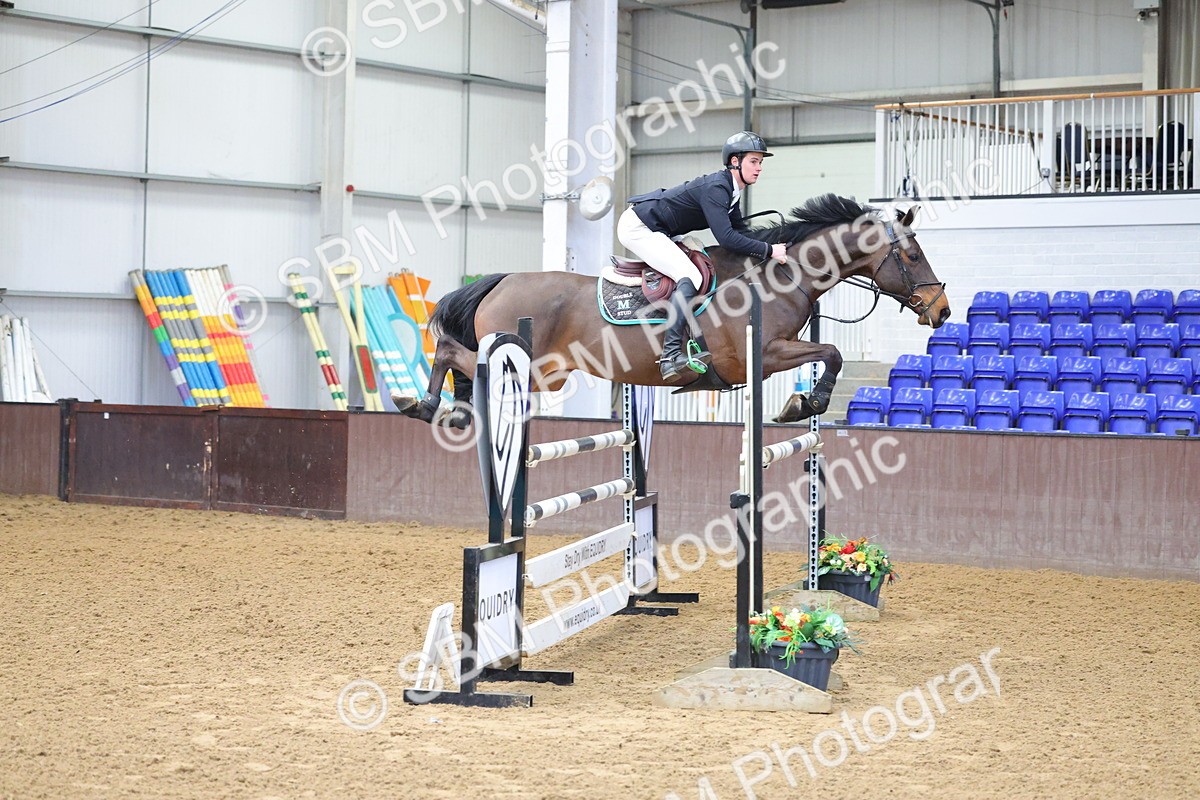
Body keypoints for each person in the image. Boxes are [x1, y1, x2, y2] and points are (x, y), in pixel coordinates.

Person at [617, 131, 789, 381]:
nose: (759, 168)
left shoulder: (732, 192)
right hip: (639, 227)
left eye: (761, 162)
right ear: (735, 162)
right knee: (690, 275)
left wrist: (773, 246)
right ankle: (670, 355)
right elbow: (727, 239)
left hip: (661, 229)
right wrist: (769, 250)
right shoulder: (717, 188)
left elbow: (741, 232)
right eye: (754, 161)